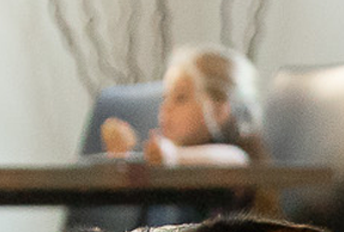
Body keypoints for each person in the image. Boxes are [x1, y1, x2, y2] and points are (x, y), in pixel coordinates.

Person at [101, 45, 263, 167]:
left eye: (180, 98)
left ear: (219, 109)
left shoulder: (237, 152)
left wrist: (174, 156)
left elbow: (234, 158)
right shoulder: (171, 153)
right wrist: (123, 157)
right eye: (165, 98)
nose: (166, 108)